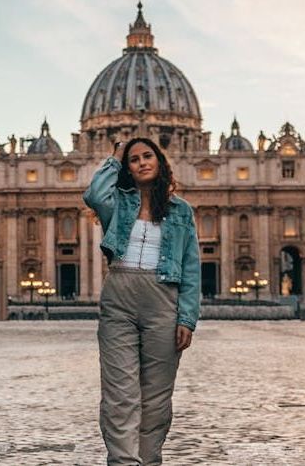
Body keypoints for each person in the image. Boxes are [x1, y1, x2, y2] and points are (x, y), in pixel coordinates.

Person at [83, 137, 201, 466]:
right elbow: (93, 194)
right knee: (119, 394)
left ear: (161, 162)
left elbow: (191, 267)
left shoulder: (181, 211)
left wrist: (187, 318)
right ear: (126, 168)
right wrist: (115, 156)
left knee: (157, 400)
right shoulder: (115, 203)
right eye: (133, 160)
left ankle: (149, 462)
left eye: (148, 156)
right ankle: (122, 463)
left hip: (163, 298)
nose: (142, 163)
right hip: (119, 294)